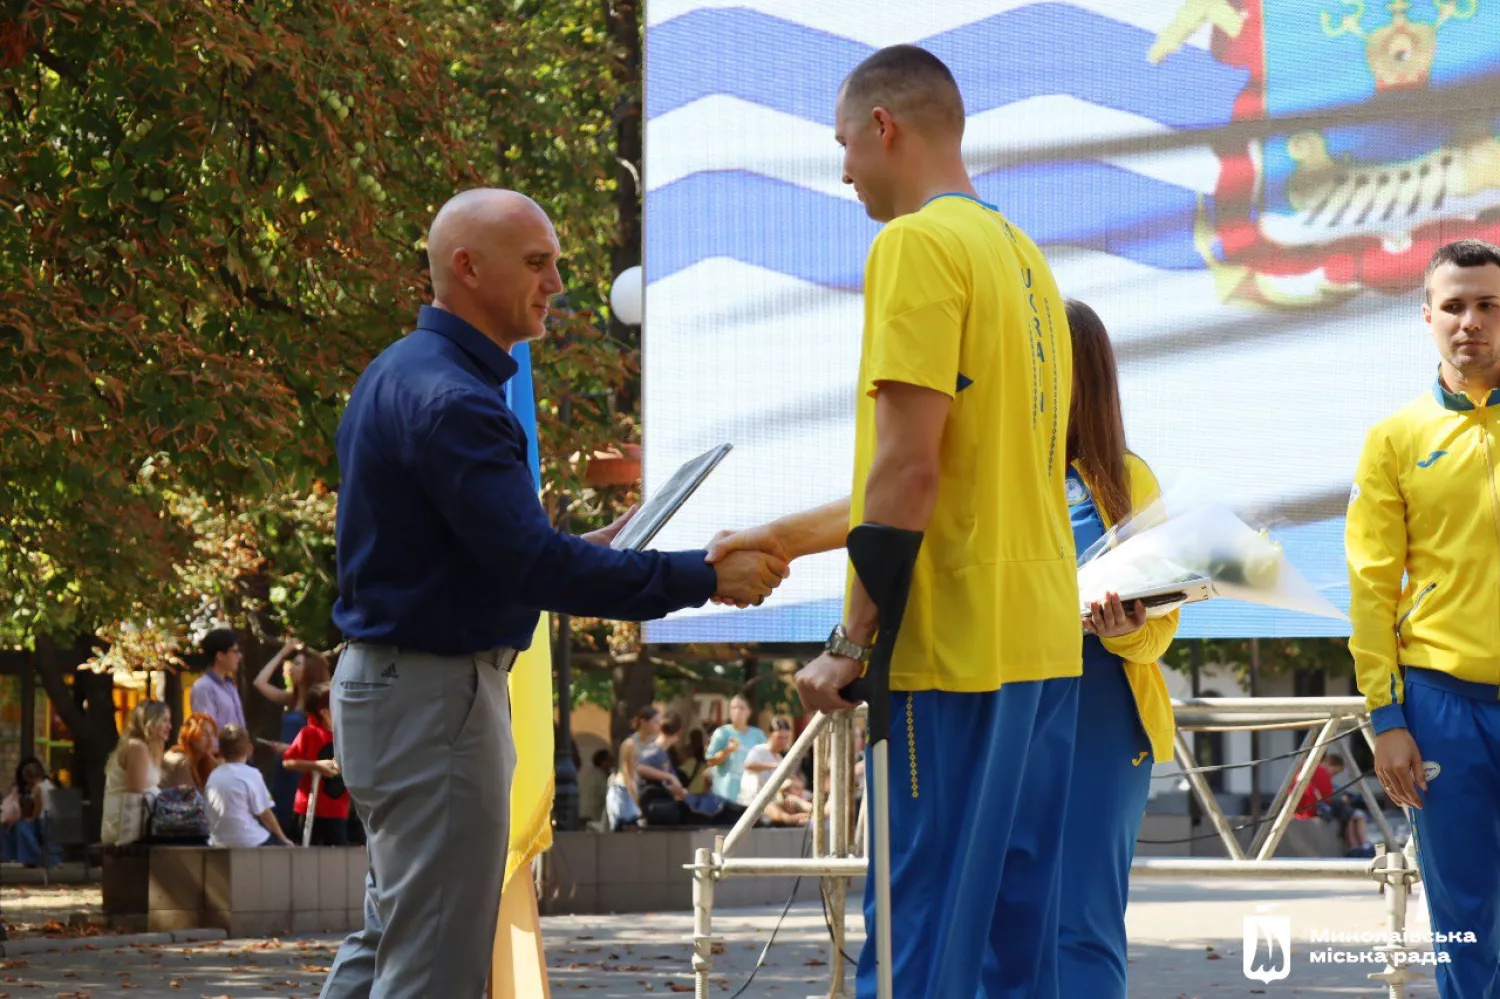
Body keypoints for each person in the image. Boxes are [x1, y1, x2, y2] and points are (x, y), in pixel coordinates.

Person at [321, 188, 788, 998]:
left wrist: (586, 550)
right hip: (436, 699)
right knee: (429, 962)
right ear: (467, 267)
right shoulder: (457, 401)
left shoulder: (401, 374)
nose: (557, 283)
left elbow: (486, 555)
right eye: (539, 263)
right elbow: (535, 570)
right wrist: (705, 576)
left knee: (392, 938)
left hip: (402, 690)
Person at [706, 46, 1081, 997]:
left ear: (886, 128)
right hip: (1039, 646)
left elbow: (907, 473)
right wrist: (781, 538)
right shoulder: (1025, 259)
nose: (842, 172)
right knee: (1009, 948)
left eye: (842, 145)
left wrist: (847, 639)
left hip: (949, 651)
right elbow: (942, 476)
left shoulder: (916, 245)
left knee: (920, 946)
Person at [1347, 238, 1500, 998]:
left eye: (1487, 305)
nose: (1470, 320)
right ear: (1427, 317)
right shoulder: (1395, 438)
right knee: (1464, 916)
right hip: (1443, 704)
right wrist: (1387, 716)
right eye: (1455, 306)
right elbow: (1371, 589)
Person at [1053, 301, 1180, 999]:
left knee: (1082, 922)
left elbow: (1160, 626)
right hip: (998, 702)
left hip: (1101, 714)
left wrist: (1122, 626)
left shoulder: (1125, 478)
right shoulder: (981, 470)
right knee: (994, 913)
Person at [252, 639, 333, 831]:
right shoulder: (291, 698)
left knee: (296, 825)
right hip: (284, 770)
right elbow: (259, 682)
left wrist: (288, 749)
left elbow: (325, 747)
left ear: (310, 670)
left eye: (297, 664)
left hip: (303, 773)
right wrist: (282, 653)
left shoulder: (322, 703)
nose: (291, 668)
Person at [205, 724, 294, 848]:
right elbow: (265, 814)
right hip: (249, 840)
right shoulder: (252, 774)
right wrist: (283, 838)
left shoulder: (213, 776)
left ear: (220, 751)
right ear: (250, 749)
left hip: (217, 841)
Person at [282, 682, 348, 846]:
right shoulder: (309, 733)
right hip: (310, 807)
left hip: (338, 808)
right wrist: (316, 766)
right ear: (324, 712)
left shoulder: (346, 735)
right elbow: (288, 762)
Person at [100, 701, 171, 846]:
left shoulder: (146, 749)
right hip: (123, 829)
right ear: (150, 722)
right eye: (164, 720)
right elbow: (137, 796)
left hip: (136, 825)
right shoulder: (136, 748)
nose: (169, 727)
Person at [704, 694, 765, 805]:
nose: (737, 711)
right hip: (724, 796)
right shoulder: (722, 733)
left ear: (749, 712)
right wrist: (728, 750)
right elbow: (710, 761)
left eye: (741, 708)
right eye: (733, 708)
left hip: (750, 795)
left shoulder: (758, 735)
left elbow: (766, 758)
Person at [1, 757, 58, 867]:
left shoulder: (37, 789)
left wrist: (32, 818)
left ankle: (31, 855)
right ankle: (54, 861)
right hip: (53, 817)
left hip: (43, 818)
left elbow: (38, 807)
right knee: (51, 841)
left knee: (23, 828)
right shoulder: (50, 785)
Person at [190, 628, 246, 732]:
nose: (240, 656)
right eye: (235, 651)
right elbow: (206, 732)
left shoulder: (230, 685)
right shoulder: (204, 687)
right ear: (220, 655)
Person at [160, 713, 220, 792]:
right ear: (190, 735)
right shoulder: (181, 761)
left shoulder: (204, 759)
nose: (210, 739)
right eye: (204, 734)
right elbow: (189, 798)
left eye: (212, 734)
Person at [578, 749, 613, 830]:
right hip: (592, 817)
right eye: (609, 760)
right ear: (603, 762)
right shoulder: (600, 776)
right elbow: (608, 796)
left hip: (582, 814)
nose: (612, 762)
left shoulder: (590, 774)